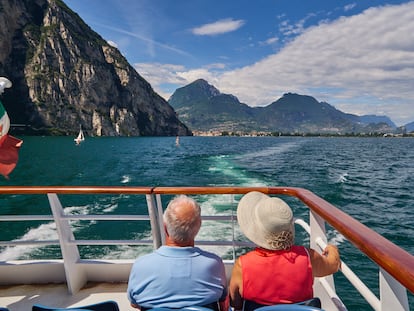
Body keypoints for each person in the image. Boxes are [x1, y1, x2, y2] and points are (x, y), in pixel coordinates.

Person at [229, 191, 341, 311]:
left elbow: (235, 302)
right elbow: (333, 265)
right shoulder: (307, 257)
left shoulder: (243, 265)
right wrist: (332, 248)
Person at [127, 195, 229, 311]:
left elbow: (134, 303)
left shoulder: (141, 264)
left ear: (165, 228)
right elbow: (222, 298)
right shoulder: (214, 264)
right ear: (198, 227)